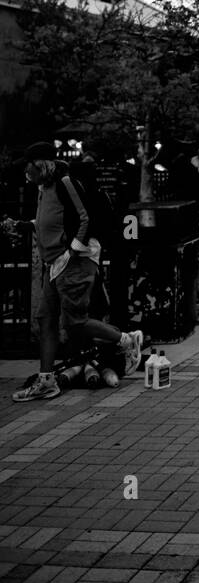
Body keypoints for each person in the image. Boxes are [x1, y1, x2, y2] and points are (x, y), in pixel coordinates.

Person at [4, 142, 142, 402]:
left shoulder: (65, 182)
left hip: (73, 261)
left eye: (28, 165)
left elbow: (85, 218)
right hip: (54, 265)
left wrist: (72, 252)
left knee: (75, 321)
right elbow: (52, 221)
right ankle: (46, 380)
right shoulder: (43, 188)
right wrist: (24, 226)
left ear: (41, 164)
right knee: (46, 320)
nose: (25, 170)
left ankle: (126, 340)